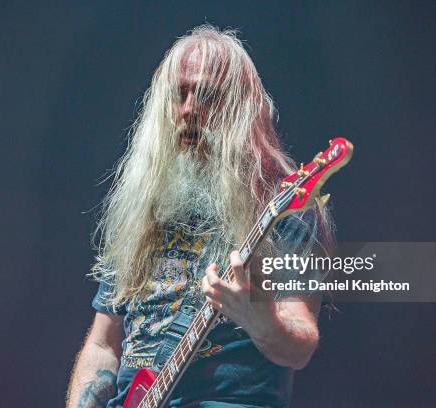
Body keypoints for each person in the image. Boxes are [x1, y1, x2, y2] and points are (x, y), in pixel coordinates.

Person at [66, 25, 332, 408]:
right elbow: (103, 344)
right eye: (180, 94)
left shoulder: (283, 207)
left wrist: (258, 318)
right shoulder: (143, 208)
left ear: (239, 107)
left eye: (206, 95)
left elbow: (299, 347)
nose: (189, 109)